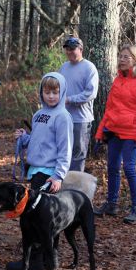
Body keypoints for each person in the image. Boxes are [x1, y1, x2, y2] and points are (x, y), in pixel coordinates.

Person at [6, 72, 73, 270]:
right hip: (35, 171)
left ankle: (36, 261)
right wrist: (25, 138)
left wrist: (58, 175)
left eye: (55, 92)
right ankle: (49, 260)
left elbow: (65, 148)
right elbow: (39, 140)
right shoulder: (38, 114)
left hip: (49, 175)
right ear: (41, 92)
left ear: (61, 93)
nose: (51, 96)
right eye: (47, 91)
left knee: (39, 219)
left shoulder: (63, 117)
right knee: (40, 217)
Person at [94, 44, 136, 224]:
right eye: (120, 56)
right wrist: (100, 132)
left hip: (133, 133)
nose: (121, 60)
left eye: (126, 57)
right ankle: (111, 204)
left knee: (129, 168)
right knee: (112, 167)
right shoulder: (117, 80)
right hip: (113, 131)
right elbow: (109, 109)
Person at [59, 36, 99, 171]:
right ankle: (62, 184)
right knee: (64, 151)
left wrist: (69, 99)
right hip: (64, 117)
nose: (69, 52)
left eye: (72, 49)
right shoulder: (64, 67)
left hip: (81, 119)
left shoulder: (89, 67)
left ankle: (75, 188)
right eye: (67, 49)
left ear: (80, 49)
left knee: (78, 154)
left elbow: (90, 93)